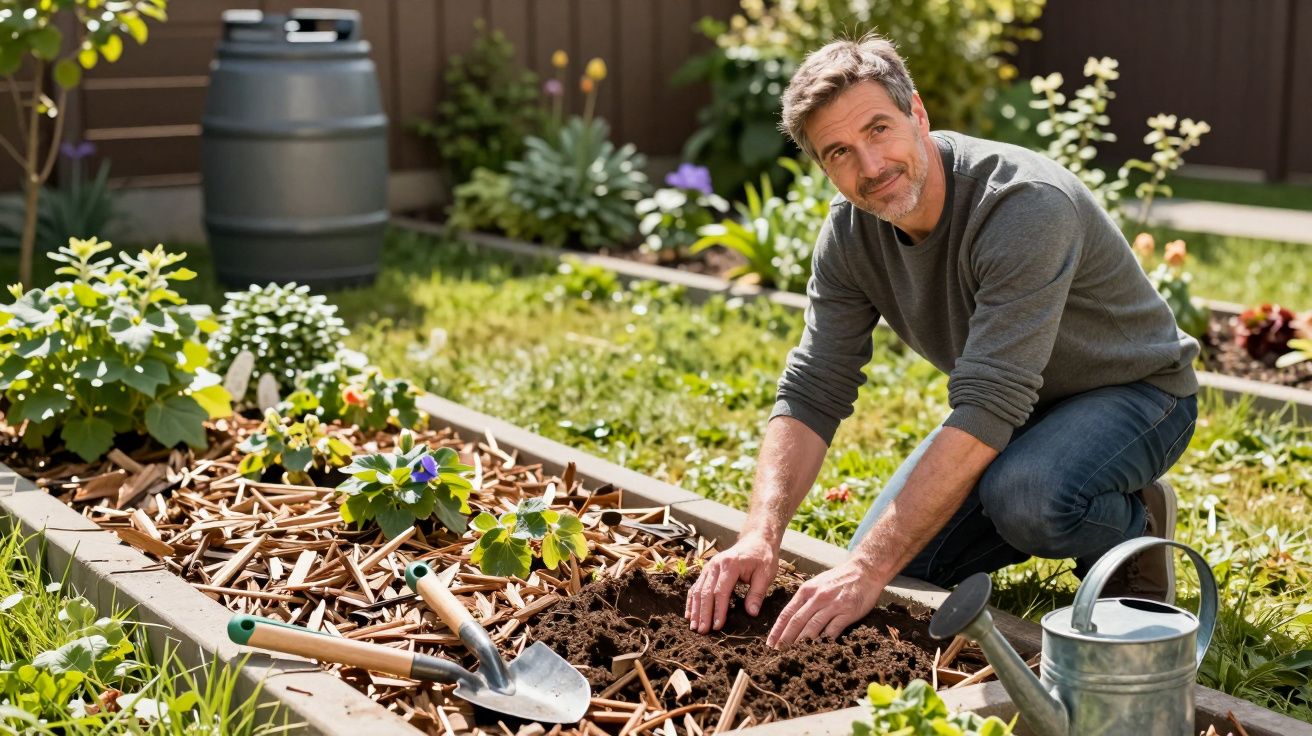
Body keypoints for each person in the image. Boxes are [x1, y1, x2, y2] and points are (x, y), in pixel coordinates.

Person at [683, 33, 1199, 647]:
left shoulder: (1022, 205)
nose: (870, 168)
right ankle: (1051, 473)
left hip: (1136, 394)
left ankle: (1130, 522)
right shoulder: (850, 237)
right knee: (905, 571)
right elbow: (814, 386)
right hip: (1021, 405)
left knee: (1026, 498)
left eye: (879, 130)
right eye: (839, 152)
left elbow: (988, 403)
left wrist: (864, 570)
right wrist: (760, 534)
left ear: (917, 112)